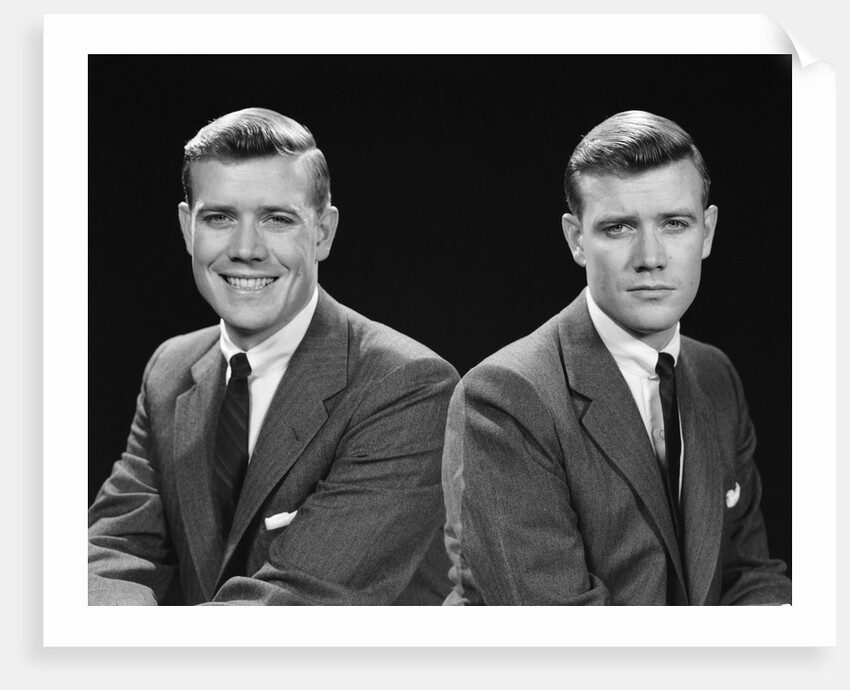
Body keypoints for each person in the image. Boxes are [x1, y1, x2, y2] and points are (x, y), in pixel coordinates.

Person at [88, 107, 459, 605]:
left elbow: (292, 604)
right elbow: (111, 551)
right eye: (219, 218)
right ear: (186, 229)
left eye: (277, 219)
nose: (246, 249)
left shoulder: (407, 386)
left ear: (323, 232)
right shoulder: (170, 369)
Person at [442, 110, 791, 605]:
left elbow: (748, 576)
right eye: (619, 228)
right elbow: (564, 633)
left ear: (707, 232)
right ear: (576, 239)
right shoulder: (505, 397)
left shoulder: (715, 374)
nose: (651, 256)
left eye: (674, 223)